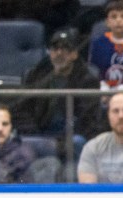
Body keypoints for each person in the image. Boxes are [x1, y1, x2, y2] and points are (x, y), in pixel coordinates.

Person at [12, 27, 104, 162]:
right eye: (55, 49)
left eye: (65, 49)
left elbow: (88, 120)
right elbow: (20, 112)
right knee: (22, 143)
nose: (59, 53)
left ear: (74, 54)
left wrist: (62, 142)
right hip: (40, 135)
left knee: (77, 142)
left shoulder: (87, 80)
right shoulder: (35, 76)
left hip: (71, 136)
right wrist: (35, 133)